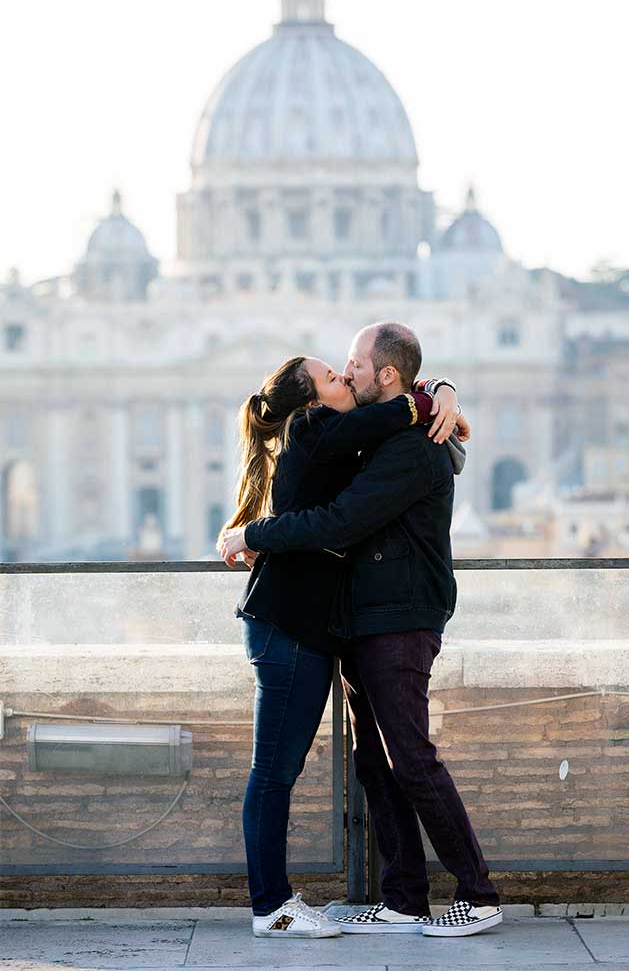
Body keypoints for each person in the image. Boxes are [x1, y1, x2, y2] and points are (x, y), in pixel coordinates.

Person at [221, 322, 502, 940]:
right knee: (374, 761)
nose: (345, 374)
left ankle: (477, 894)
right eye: (334, 372)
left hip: (393, 619)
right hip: (346, 622)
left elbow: (344, 519)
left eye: (350, 365)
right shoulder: (340, 430)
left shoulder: (409, 443)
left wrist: (439, 395)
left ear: (386, 375)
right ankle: (403, 898)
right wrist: (434, 395)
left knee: (408, 758)